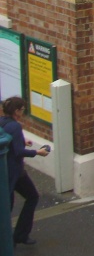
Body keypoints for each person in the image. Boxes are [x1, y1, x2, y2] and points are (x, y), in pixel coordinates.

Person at [0, 97, 50, 246]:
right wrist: (37, 152)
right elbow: (19, 152)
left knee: (7, 206)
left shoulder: (3, 122)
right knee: (31, 197)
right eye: (22, 110)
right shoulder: (15, 126)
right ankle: (17, 236)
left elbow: (9, 140)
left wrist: (22, 140)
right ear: (17, 111)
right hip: (15, 171)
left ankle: (12, 238)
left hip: (6, 170)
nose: (23, 112)